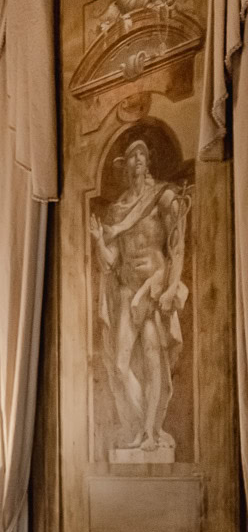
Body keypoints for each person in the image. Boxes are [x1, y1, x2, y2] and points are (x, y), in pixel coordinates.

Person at [91, 138, 188, 456]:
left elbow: (176, 245)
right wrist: (98, 242)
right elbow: (110, 261)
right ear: (124, 166)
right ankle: (135, 427)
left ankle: (150, 431)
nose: (136, 161)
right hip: (126, 289)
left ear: (148, 162)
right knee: (118, 365)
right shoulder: (117, 210)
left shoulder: (162, 196)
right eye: (131, 157)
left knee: (151, 358)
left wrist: (171, 286)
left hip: (153, 288)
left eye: (141, 155)